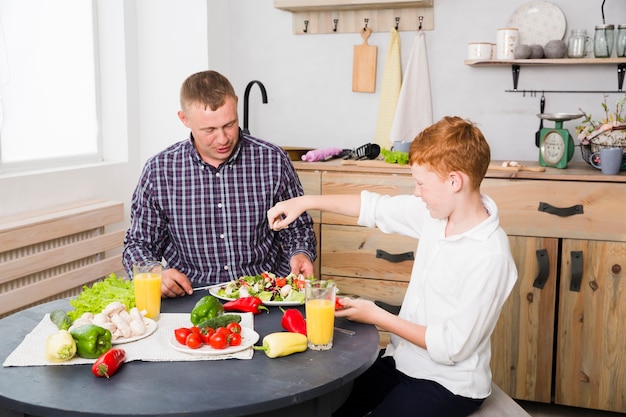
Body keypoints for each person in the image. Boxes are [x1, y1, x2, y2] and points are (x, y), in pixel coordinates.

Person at [267, 116, 517, 417]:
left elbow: (452, 347)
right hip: (402, 363)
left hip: (448, 385)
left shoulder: (490, 255)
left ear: (454, 182)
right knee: (327, 405)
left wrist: (378, 316)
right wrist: (304, 202)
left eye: (421, 183)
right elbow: (373, 207)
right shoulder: (438, 215)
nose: (415, 192)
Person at [123, 70, 316, 298]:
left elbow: (298, 228)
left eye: (229, 124)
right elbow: (138, 244)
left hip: (264, 295)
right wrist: (155, 272)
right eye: (209, 130)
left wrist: (300, 254)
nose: (223, 139)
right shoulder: (159, 170)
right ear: (184, 119)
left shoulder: (272, 160)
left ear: (235, 105)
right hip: (193, 298)